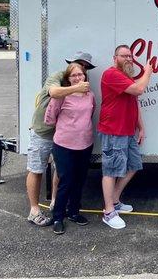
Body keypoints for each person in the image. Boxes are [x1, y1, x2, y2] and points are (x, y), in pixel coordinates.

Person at [25, 51, 95, 227]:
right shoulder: (57, 77)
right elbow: (54, 93)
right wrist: (76, 88)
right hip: (43, 131)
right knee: (36, 169)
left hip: (66, 137)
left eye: (85, 68)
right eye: (79, 65)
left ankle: (57, 204)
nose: (82, 70)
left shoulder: (87, 92)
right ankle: (34, 210)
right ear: (70, 65)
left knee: (61, 173)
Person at [98, 45, 153, 229]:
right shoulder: (111, 74)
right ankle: (108, 212)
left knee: (134, 165)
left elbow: (134, 103)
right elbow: (139, 90)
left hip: (128, 131)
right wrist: (147, 72)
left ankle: (114, 200)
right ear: (115, 58)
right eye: (124, 56)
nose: (129, 59)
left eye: (130, 56)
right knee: (111, 171)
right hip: (114, 131)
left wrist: (141, 128)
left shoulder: (125, 77)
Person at [44, 62, 96, 235]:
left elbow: (91, 113)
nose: (77, 78)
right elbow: (50, 118)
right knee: (65, 180)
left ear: (85, 77)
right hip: (64, 144)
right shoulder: (61, 96)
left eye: (80, 74)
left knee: (80, 179)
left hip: (85, 143)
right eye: (73, 75)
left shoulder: (90, 95)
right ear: (68, 79)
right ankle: (58, 216)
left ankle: (73, 212)